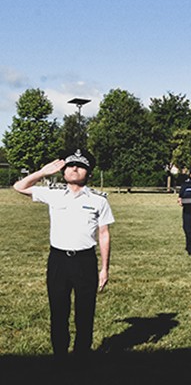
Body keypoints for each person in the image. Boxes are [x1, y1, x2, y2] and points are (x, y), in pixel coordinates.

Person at [13, 150, 114, 359]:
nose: (74, 169)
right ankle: (59, 356)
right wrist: (41, 172)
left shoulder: (98, 200)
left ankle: (81, 356)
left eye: (80, 166)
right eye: (70, 165)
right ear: (63, 171)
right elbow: (19, 187)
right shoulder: (54, 193)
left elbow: (104, 234)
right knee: (58, 311)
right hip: (58, 260)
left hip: (85, 261)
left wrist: (104, 268)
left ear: (89, 173)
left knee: (85, 312)